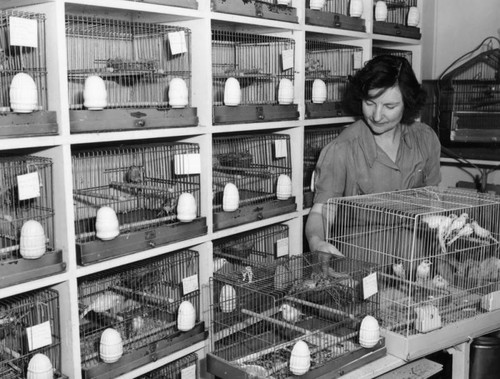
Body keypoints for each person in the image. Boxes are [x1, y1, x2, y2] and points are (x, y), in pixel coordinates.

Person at [305, 54, 442, 265]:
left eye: (389, 107)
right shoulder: (342, 148)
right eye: (370, 103)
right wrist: (317, 242)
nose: (377, 116)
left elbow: (434, 200)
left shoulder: (425, 139)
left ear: (407, 103)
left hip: (416, 259)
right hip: (361, 264)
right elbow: (322, 212)